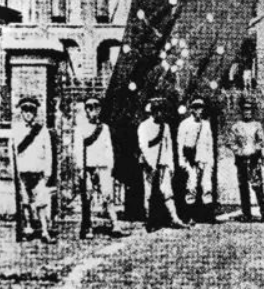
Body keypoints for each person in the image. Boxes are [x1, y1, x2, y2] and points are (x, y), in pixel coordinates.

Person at [75, 96, 129, 239]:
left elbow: (108, 148)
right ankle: (88, 227)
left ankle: (115, 225)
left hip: (103, 166)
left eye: (96, 108)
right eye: (89, 108)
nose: (93, 111)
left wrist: (109, 166)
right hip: (88, 166)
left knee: (108, 195)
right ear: (86, 110)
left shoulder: (104, 128)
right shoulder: (80, 129)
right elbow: (78, 150)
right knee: (88, 197)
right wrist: (81, 168)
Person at [137, 98, 188, 230]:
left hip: (163, 163)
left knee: (167, 192)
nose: (160, 114)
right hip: (149, 165)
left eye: (161, 111)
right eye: (157, 111)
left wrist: (170, 165)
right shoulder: (144, 126)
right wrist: (151, 165)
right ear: (153, 112)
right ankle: (150, 220)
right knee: (149, 194)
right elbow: (143, 146)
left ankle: (175, 218)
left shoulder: (165, 127)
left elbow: (168, 146)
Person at [13, 97, 56, 244]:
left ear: (35, 113)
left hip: (38, 171)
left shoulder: (42, 130)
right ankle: (28, 227)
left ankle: (44, 231)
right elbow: (13, 152)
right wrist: (14, 171)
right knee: (25, 201)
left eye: (31, 111)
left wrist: (48, 172)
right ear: (21, 113)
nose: (28, 114)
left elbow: (48, 152)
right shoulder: (16, 130)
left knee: (41, 202)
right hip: (22, 171)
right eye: (25, 111)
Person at [230, 100, 264, 223]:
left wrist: (254, 150)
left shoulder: (257, 125)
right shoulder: (236, 127)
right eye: (245, 110)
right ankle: (246, 214)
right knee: (243, 187)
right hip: (241, 160)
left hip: (254, 160)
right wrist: (239, 152)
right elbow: (231, 142)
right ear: (242, 112)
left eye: (249, 110)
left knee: (257, 186)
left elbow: (261, 141)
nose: (247, 113)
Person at [177, 98, 215, 224]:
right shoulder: (185, 124)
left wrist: (211, 161)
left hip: (204, 159)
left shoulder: (206, 124)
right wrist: (182, 161)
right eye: (197, 108)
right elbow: (180, 144)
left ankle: (208, 216)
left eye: (201, 108)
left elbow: (209, 144)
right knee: (191, 186)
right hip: (191, 160)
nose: (200, 111)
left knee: (207, 186)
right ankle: (189, 216)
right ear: (192, 109)